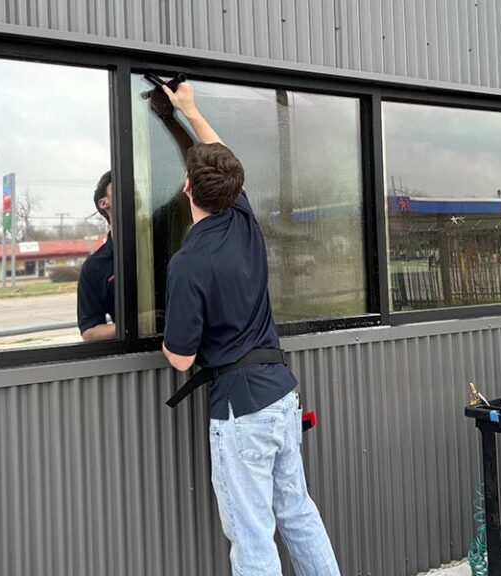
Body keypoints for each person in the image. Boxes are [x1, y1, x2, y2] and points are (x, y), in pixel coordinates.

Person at [159, 82, 341, 576]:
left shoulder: (188, 262)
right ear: (233, 190)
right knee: (298, 513)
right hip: (281, 395)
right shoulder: (243, 217)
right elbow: (225, 157)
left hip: (241, 411)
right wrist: (190, 109)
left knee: (253, 535)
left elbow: (180, 357)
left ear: (187, 188)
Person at [77, 171, 116, 341]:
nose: (133, 190)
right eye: (122, 185)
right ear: (103, 203)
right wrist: (136, 324)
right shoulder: (94, 267)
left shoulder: (162, 240)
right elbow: (89, 331)